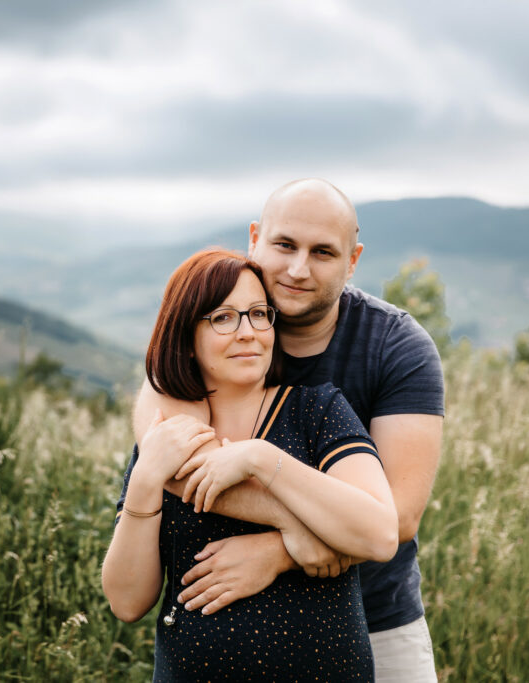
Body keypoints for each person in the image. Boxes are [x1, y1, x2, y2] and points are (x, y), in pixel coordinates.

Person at [132, 179, 445, 682]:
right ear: (254, 237)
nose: (299, 269)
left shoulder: (396, 345)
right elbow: (178, 467)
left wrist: (278, 552)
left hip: (378, 621)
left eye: (323, 252)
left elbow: (398, 517)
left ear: (353, 259)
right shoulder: (208, 332)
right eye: (284, 245)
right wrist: (302, 528)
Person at [102, 248, 398, 681]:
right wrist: (147, 477)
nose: (248, 332)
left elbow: (380, 534)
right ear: (186, 335)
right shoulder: (168, 440)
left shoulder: (317, 411)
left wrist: (262, 459)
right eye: (223, 318)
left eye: (259, 314)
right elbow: (127, 602)